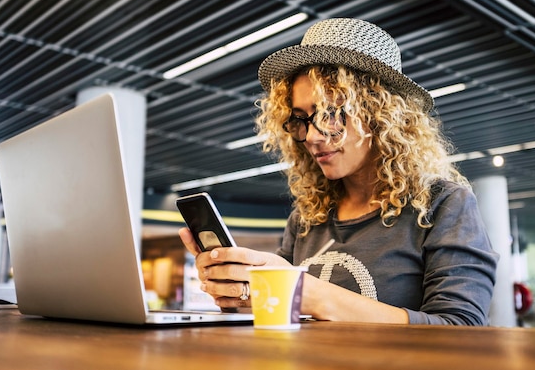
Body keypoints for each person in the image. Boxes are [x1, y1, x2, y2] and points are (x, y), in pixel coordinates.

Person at [179, 18, 498, 325]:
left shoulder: (444, 205)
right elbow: (284, 316)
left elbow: (461, 325)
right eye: (302, 118)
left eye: (331, 114)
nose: (313, 136)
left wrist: (312, 294)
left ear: (381, 114)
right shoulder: (307, 219)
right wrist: (241, 292)